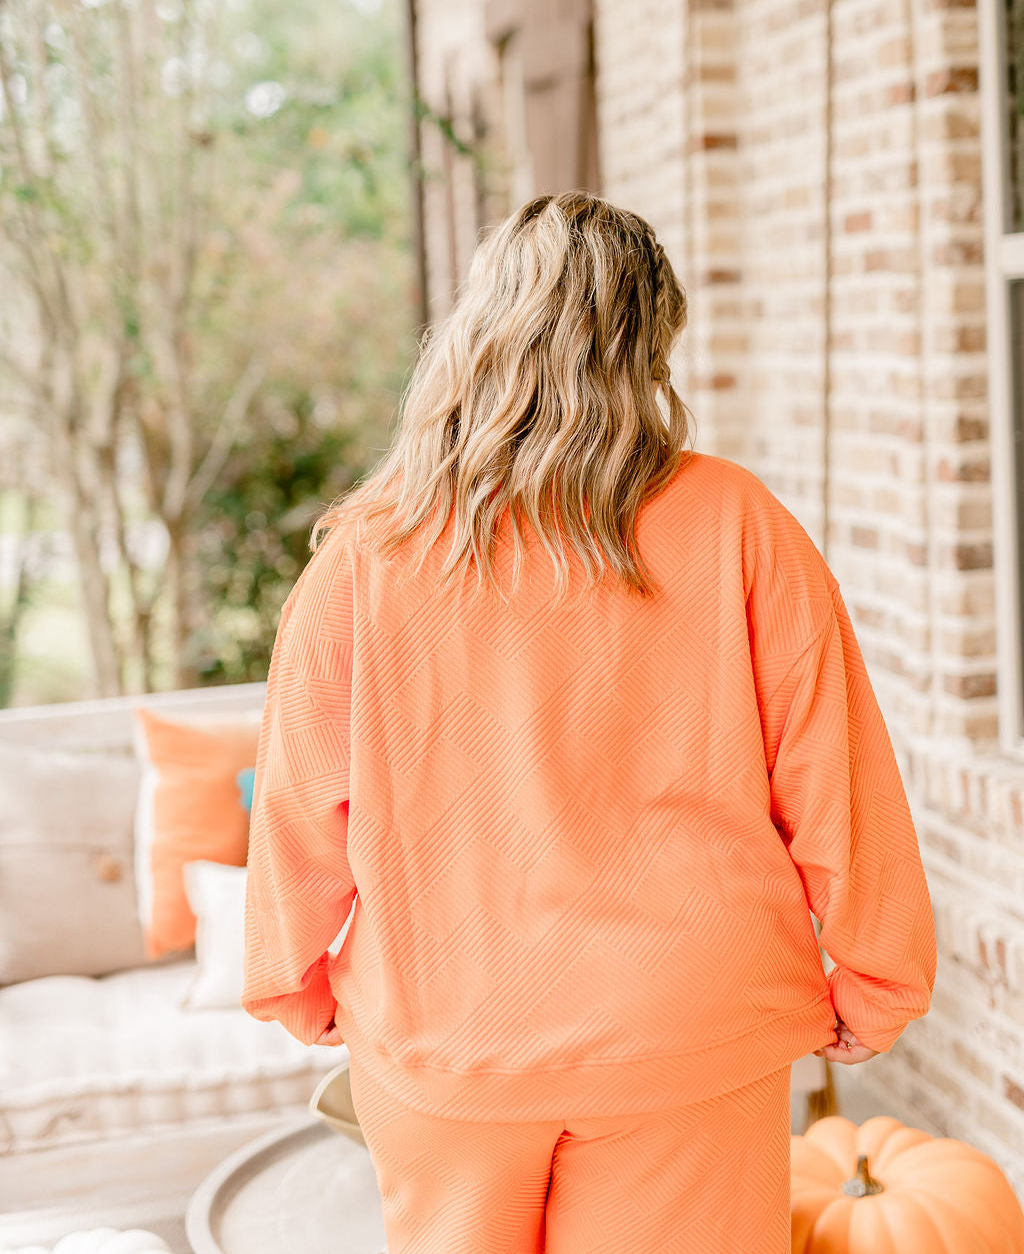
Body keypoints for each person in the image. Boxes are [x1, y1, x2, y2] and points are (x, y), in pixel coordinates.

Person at [241, 190, 937, 1254]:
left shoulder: (364, 560)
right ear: (649, 346)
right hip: (690, 1029)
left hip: (448, 1033)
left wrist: (294, 984)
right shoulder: (738, 521)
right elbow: (835, 771)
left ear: (476, 334)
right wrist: (875, 977)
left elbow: (298, 808)